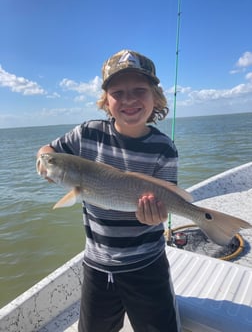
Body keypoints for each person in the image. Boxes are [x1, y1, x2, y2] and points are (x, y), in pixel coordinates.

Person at [37, 49, 181, 332]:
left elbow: (168, 198)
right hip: (97, 265)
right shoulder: (87, 133)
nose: (128, 99)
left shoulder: (164, 148)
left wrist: (156, 216)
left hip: (147, 263)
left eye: (139, 90)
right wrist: (43, 162)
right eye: (118, 92)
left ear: (156, 97)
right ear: (106, 100)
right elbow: (49, 151)